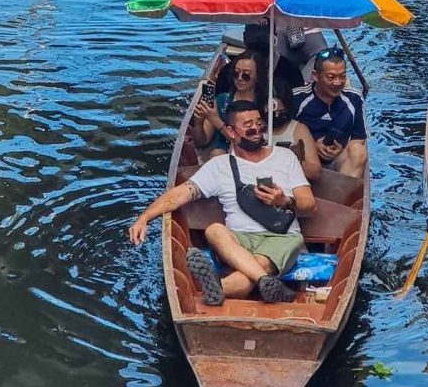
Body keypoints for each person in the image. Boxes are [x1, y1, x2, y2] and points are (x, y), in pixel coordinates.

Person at [128, 100, 316, 305]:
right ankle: (266, 282)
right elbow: (180, 193)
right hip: (238, 240)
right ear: (231, 132)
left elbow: (309, 205)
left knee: (254, 268)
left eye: (258, 123)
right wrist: (145, 217)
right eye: (248, 125)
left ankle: (217, 289)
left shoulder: (285, 157)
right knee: (214, 230)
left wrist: (284, 200)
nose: (256, 129)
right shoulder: (219, 165)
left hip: (281, 237)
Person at [292, 47, 367, 179]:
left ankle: (344, 190)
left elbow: (359, 138)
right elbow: (284, 133)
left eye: (342, 76)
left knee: (358, 151)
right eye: (331, 77)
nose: (337, 83)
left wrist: (339, 149)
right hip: (304, 162)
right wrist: (312, 147)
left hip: (339, 160)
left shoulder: (354, 98)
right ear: (315, 76)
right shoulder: (298, 98)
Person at [192, 50, 267, 156]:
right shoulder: (221, 100)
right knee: (217, 153)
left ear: (258, 76)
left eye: (246, 75)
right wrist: (198, 123)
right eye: (236, 73)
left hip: (251, 155)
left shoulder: (264, 104)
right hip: (221, 154)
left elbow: (251, 143)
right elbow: (202, 142)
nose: (239, 78)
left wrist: (216, 121)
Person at [266, 78, 322, 182]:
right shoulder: (255, 128)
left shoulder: (298, 129)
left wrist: (290, 159)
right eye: (272, 113)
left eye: (281, 112)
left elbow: (315, 172)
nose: (277, 116)